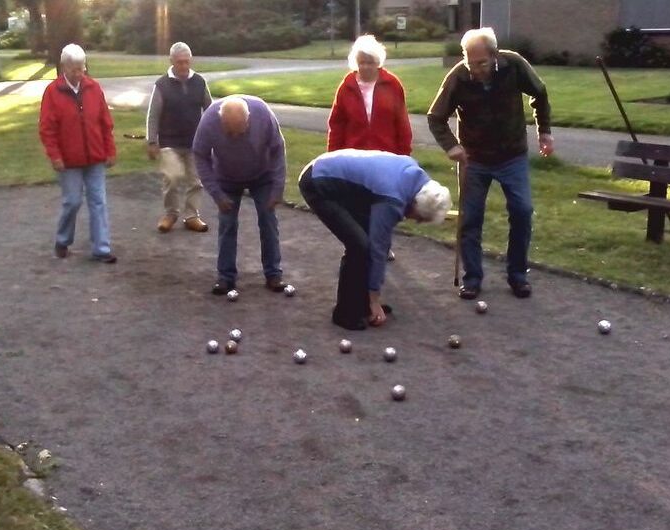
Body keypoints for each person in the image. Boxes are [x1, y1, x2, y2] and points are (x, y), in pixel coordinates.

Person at [427, 27, 554, 299]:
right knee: (470, 219)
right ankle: (472, 278)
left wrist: (544, 131)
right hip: (474, 159)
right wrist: (452, 146)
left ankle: (517, 275)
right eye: (470, 62)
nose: (475, 69)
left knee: (522, 211)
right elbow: (435, 117)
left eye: (482, 63)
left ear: (495, 55)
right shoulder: (459, 77)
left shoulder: (514, 65)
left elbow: (540, 93)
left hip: (512, 155)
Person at [299, 150, 451, 330]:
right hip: (318, 183)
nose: (416, 221)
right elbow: (379, 249)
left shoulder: (417, 179)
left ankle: (361, 304)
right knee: (359, 246)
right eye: (419, 217)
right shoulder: (393, 199)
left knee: (365, 240)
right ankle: (345, 314)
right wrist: (375, 299)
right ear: (415, 205)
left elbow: (382, 241)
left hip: (343, 182)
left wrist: (372, 299)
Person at [192, 95, 289, 295]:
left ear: (248, 119)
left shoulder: (262, 113)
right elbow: (200, 155)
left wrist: (277, 188)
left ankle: (273, 273)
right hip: (226, 177)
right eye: (229, 131)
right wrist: (216, 193)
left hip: (262, 174)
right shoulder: (209, 120)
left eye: (239, 130)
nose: (235, 136)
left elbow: (278, 149)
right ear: (221, 120)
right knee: (227, 224)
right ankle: (225, 277)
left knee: (268, 219)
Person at [38, 43, 117, 262]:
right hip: (68, 160)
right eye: (74, 68)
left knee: (98, 201)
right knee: (72, 201)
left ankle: (102, 249)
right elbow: (47, 129)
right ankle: (63, 240)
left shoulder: (94, 88)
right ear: (64, 67)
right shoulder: (52, 93)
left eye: (82, 67)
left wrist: (110, 149)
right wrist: (54, 156)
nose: (79, 72)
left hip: (95, 156)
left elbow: (105, 122)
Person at [146, 41, 213, 234]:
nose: (184, 66)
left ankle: (192, 216)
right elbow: (153, 115)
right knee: (172, 178)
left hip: (195, 141)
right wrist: (152, 141)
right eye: (179, 62)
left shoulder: (200, 82)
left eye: (186, 62)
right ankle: (171, 213)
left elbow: (210, 110)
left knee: (195, 181)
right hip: (169, 142)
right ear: (172, 61)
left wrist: (214, 136)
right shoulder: (161, 85)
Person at [327, 34, 412, 156]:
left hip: (386, 155)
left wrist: (404, 156)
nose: (366, 67)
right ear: (355, 63)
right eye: (362, 62)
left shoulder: (392, 84)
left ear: (378, 63)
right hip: (353, 156)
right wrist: (333, 157)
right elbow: (336, 125)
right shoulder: (346, 87)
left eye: (370, 62)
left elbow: (402, 123)